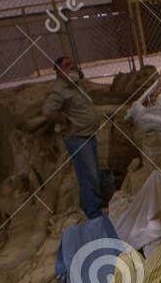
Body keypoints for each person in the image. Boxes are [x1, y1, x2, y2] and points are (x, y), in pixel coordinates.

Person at [31, 56, 105, 219]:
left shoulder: (75, 84)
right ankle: (94, 213)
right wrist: (64, 121)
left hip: (88, 135)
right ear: (58, 71)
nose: (72, 67)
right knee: (88, 176)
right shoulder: (59, 90)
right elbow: (48, 110)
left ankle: (95, 208)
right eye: (67, 66)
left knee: (93, 174)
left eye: (72, 64)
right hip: (78, 138)